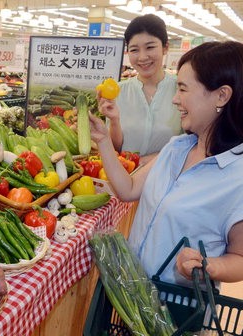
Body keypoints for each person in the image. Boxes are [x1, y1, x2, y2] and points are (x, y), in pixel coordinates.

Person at [90, 41, 243, 287]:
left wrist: (209, 265)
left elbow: (239, 257)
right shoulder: (177, 148)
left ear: (222, 96)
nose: (174, 99)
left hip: (177, 311)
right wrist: (103, 140)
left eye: (183, 89)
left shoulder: (237, 176)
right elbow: (127, 189)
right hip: (134, 294)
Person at [98, 14, 182, 164]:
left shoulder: (182, 89)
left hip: (169, 178)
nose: (142, 57)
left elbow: (192, 144)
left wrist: (145, 162)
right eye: (134, 50)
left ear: (165, 48)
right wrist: (114, 120)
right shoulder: (117, 91)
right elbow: (115, 150)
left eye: (150, 47)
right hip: (125, 178)